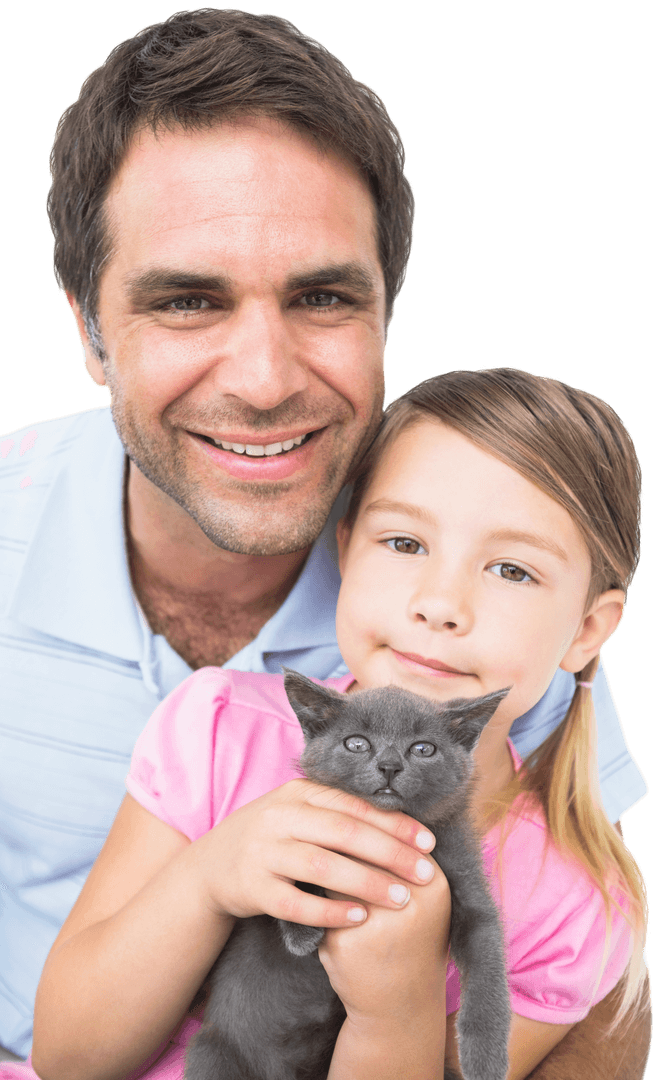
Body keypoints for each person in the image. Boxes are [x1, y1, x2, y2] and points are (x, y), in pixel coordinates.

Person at [0, 9, 647, 1071]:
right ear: (86, 329)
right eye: (188, 300)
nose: (264, 380)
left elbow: (597, 994)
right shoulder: (202, 713)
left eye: (324, 296)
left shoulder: (461, 610)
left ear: (388, 308)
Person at [12, 367, 646, 1080]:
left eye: (510, 570)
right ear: (344, 551)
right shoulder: (217, 730)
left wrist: (395, 1004)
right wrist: (207, 878)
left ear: (586, 631)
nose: (439, 603)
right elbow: (67, 1057)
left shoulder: (567, 899)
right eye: (404, 543)